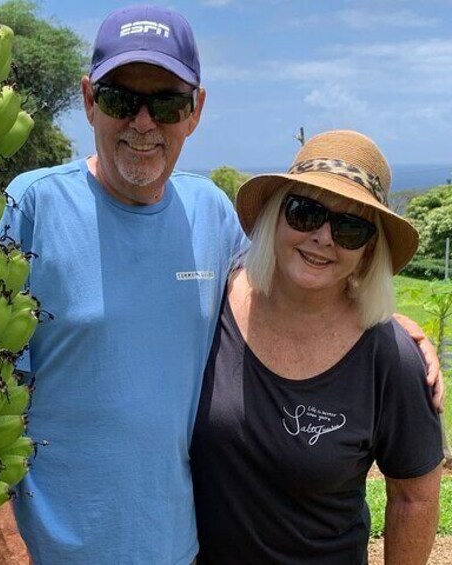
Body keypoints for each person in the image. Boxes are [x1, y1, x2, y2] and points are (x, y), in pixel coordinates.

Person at [0, 6, 444, 564]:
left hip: (175, 549)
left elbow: (297, 283)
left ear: (195, 111)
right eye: (122, 98)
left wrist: (389, 327)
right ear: (88, 100)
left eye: (168, 102)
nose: (144, 123)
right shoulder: (32, 206)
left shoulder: (211, 214)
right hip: (46, 550)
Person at [190, 130, 444, 564]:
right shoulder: (209, 304)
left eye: (350, 227)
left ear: (368, 250)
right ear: (276, 216)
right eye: (306, 212)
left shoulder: (389, 355)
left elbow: (413, 499)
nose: (324, 237)